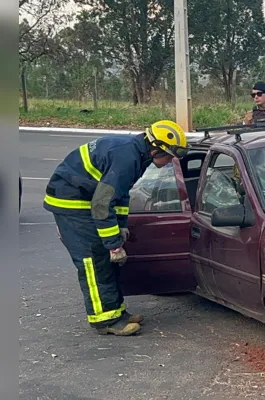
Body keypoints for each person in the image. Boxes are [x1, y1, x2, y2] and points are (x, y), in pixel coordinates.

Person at [43, 120, 190, 336]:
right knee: (94, 261)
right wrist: (113, 245)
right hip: (74, 203)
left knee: (106, 260)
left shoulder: (138, 155)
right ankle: (105, 320)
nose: (170, 161)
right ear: (156, 148)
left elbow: (120, 195)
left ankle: (117, 311)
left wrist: (120, 228)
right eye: (168, 156)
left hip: (88, 199)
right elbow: (102, 203)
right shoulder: (127, 158)